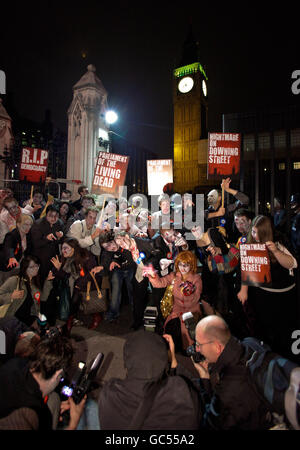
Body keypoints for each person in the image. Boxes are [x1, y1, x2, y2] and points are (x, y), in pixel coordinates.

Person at [98, 329, 202, 430]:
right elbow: (201, 404)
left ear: (126, 362)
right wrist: (174, 361)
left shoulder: (110, 393)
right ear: (164, 362)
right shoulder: (180, 392)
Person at [190, 315, 271, 430]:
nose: (197, 349)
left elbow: (209, 423)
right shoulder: (251, 343)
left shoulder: (229, 389)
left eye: (199, 345)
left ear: (217, 347)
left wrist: (205, 379)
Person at [237, 215, 298, 360]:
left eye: (258, 233)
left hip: (284, 298)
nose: (255, 236)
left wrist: (276, 251)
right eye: (253, 232)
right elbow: (247, 268)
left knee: (282, 333)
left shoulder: (279, 243)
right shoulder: (249, 246)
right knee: (263, 331)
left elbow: (292, 264)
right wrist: (244, 290)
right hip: (262, 297)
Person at [0, 334, 86, 430]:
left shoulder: (15, 363)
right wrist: (73, 423)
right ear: (58, 374)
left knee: (54, 399)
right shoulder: (37, 414)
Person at [143, 251, 203, 352]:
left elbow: (196, 298)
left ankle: (191, 348)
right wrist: (152, 275)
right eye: (180, 264)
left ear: (191, 265)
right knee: (170, 328)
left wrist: (188, 292)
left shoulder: (196, 279)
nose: (183, 268)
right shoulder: (174, 276)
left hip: (191, 311)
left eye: (186, 265)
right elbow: (160, 283)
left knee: (189, 331)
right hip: (176, 310)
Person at [51, 237, 103, 330]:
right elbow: (65, 276)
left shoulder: (86, 256)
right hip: (72, 285)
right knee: (71, 297)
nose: (63, 251)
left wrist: (78, 284)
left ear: (73, 248)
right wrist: (58, 269)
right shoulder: (63, 258)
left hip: (88, 283)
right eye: (62, 248)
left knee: (76, 297)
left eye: (66, 248)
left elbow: (91, 273)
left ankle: (96, 316)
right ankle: (69, 319)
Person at [0, 255, 54, 327]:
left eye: (37, 266)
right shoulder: (14, 280)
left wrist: (48, 281)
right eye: (32, 267)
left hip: (27, 322)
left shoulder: (34, 285)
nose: (36, 269)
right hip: (11, 322)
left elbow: (43, 298)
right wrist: (11, 296)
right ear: (25, 268)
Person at [97, 231, 136, 323]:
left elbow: (131, 259)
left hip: (130, 268)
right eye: (106, 247)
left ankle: (137, 311)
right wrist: (102, 267)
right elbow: (105, 264)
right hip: (117, 271)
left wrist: (116, 261)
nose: (110, 247)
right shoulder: (107, 252)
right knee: (115, 290)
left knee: (132, 289)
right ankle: (113, 313)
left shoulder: (124, 242)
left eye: (110, 244)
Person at [30, 204, 64, 283]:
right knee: (40, 279)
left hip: (53, 256)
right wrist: (46, 238)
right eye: (50, 216)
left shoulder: (59, 223)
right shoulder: (38, 224)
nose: (53, 218)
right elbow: (35, 243)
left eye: (56, 216)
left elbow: (61, 241)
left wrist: (61, 237)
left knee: (52, 278)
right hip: (40, 256)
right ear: (46, 214)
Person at [0, 214, 33, 284]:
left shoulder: (28, 235)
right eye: (25, 224)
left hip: (20, 266)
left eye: (30, 225)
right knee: (6, 287)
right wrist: (11, 257)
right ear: (18, 224)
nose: (28, 227)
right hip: (8, 267)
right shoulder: (11, 235)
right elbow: (8, 247)